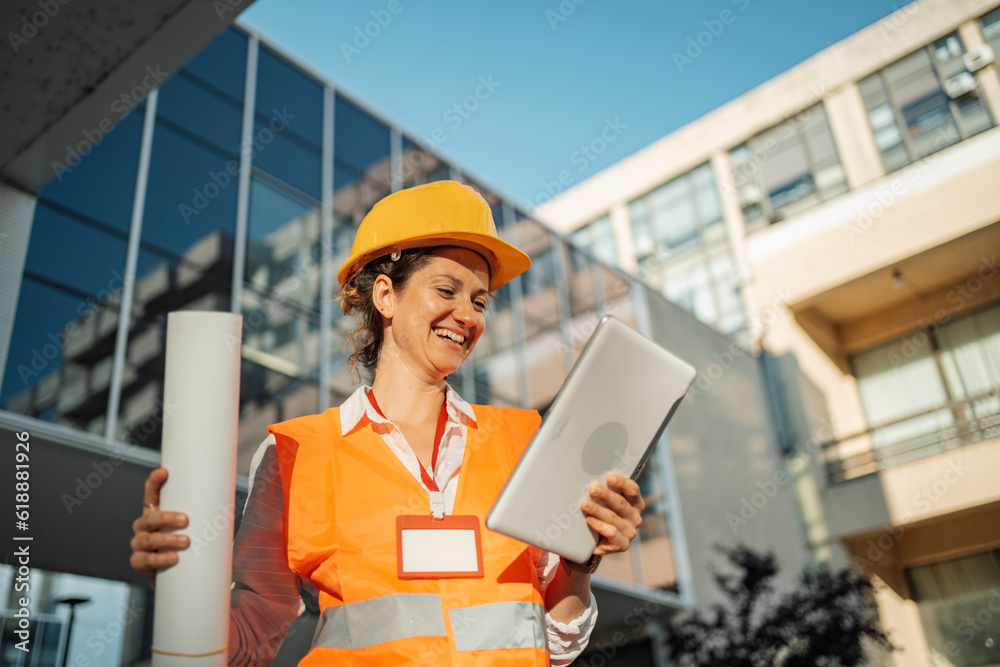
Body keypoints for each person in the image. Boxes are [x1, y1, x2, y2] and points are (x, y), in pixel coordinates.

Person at [130, 180, 645, 665]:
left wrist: (579, 566)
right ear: (385, 296)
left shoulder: (523, 440)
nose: (467, 315)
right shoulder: (299, 454)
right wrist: (180, 588)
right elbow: (246, 644)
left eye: (479, 300)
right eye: (447, 291)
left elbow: (556, 647)